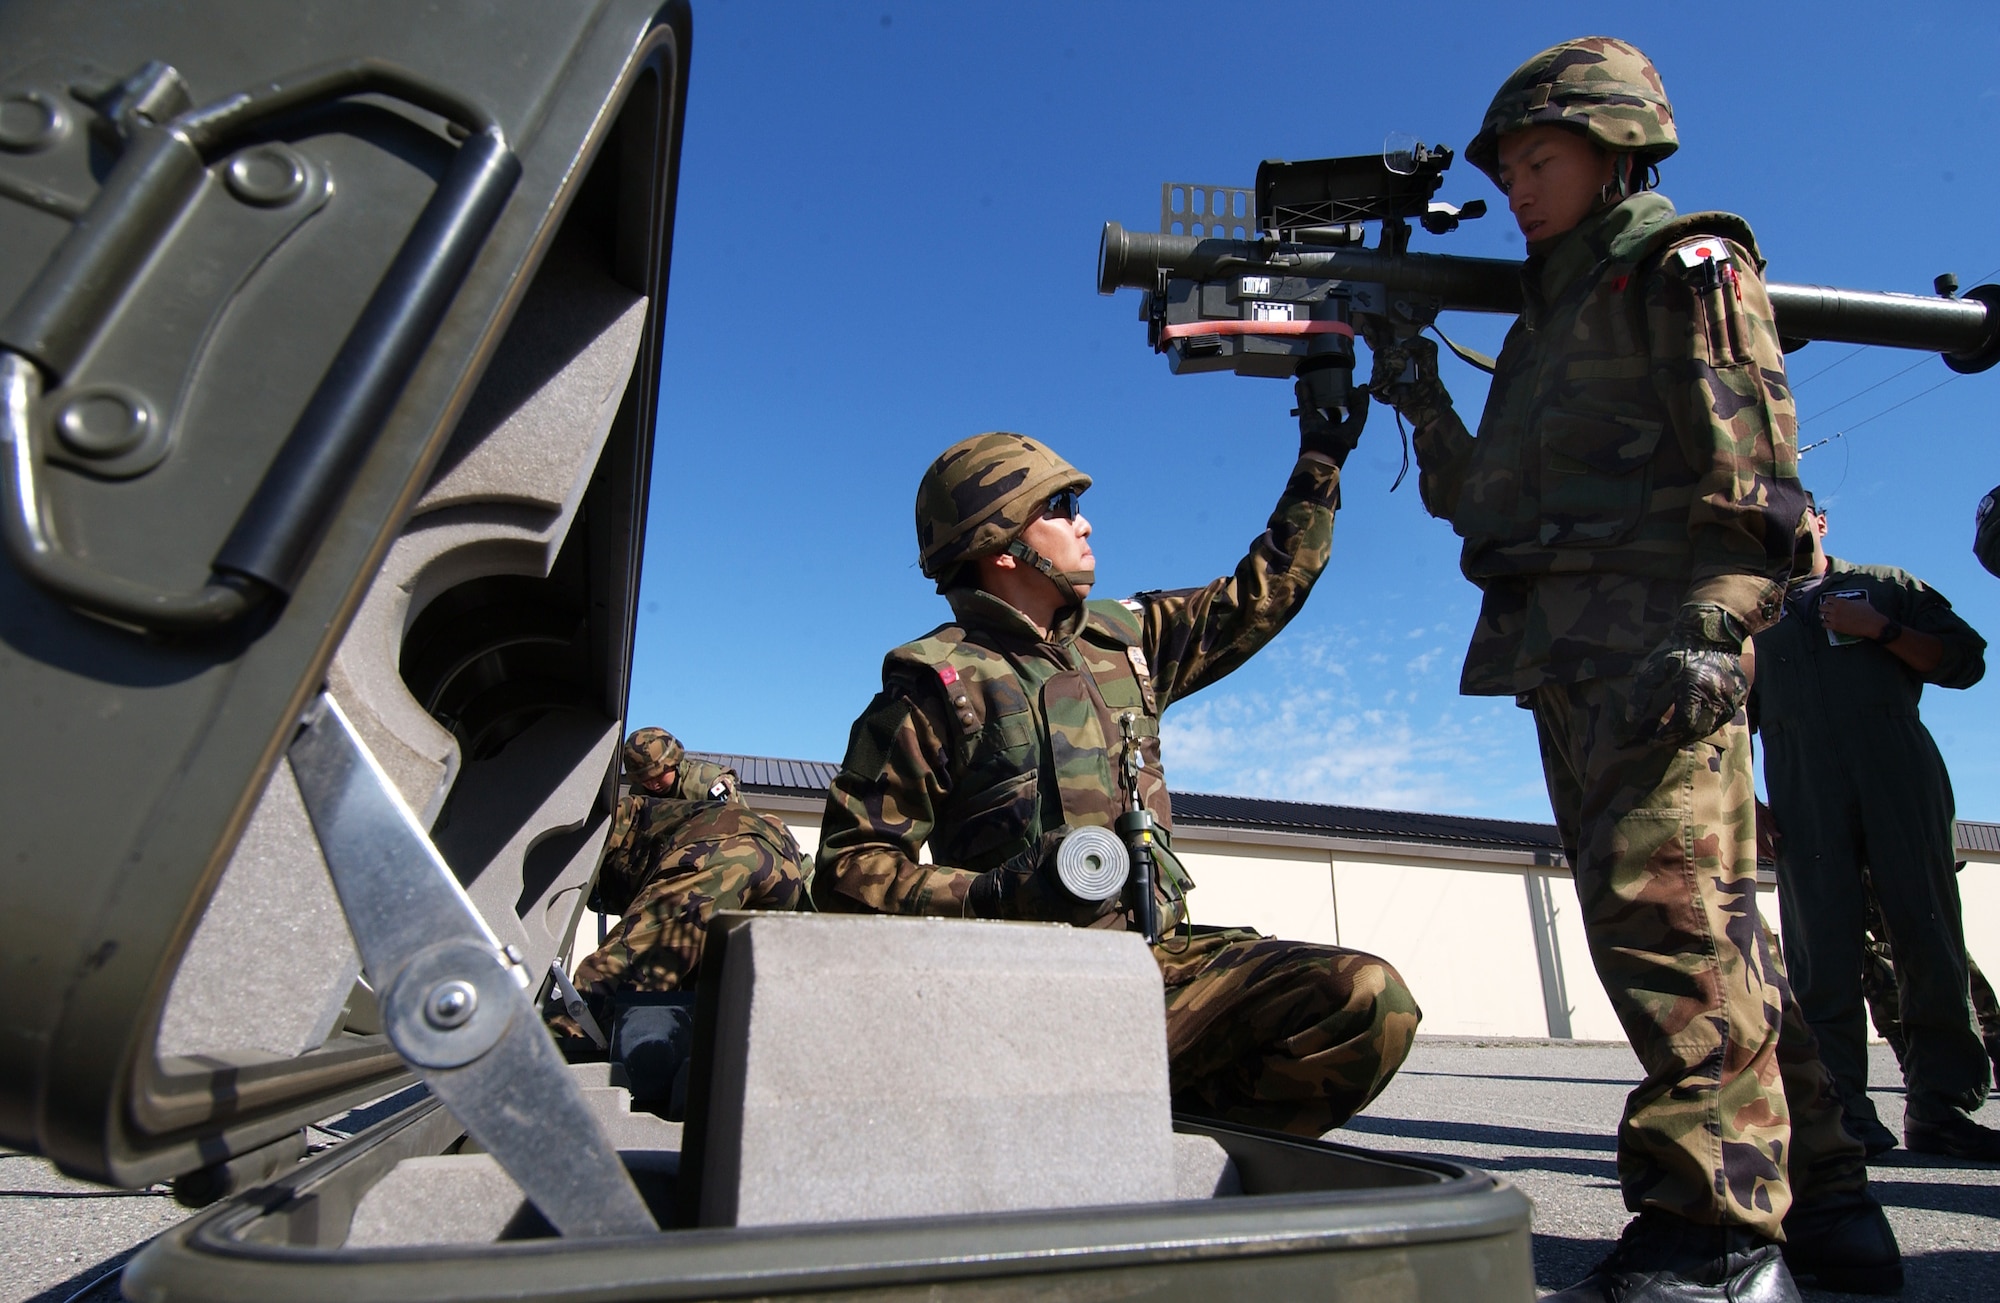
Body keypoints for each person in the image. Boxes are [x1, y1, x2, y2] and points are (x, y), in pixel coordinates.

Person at [1365, 36, 1898, 1301]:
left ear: (1615, 150)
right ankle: (1827, 1208)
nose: (1516, 190)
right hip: (1568, 652)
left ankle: (1711, 1239)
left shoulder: (1681, 265)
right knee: (1719, 942)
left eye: (1537, 161)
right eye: (1505, 173)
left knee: (1667, 936)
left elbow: (1757, 474)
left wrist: (1716, 623)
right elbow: (1482, 500)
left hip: (1659, 646)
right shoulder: (1556, 312)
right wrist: (1413, 382)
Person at [813, 419, 1423, 1137]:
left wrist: (1321, 457)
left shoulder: (1128, 640)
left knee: (1363, 998)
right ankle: (1083, 1140)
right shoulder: (936, 686)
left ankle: (1176, 1155)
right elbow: (847, 871)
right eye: (1060, 507)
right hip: (1027, 996)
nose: (1085, 522)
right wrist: (989, 891)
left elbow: (1269, 586)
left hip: (1155, 970)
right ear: (999, 546)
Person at [1750, 492, 1995, 1160]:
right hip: (1804, 792)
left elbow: (1965, 660)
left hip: (1899, 776)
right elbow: (1718, 717)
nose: (1781, 526)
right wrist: (1751, 804)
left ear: (1822, 521)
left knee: (1930, 940)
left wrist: (1878, 628)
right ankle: (1840, 1116)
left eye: (1795, 512)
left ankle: (1942, 1110)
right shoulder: (1748, 616)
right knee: (1819, 955)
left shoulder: (1886, 586)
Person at [623, 725, 740, 803]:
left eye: (658, 775)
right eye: (645, 780)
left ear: (674, 762)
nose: (653, 785)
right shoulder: (639, 795)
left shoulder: (708, 784)